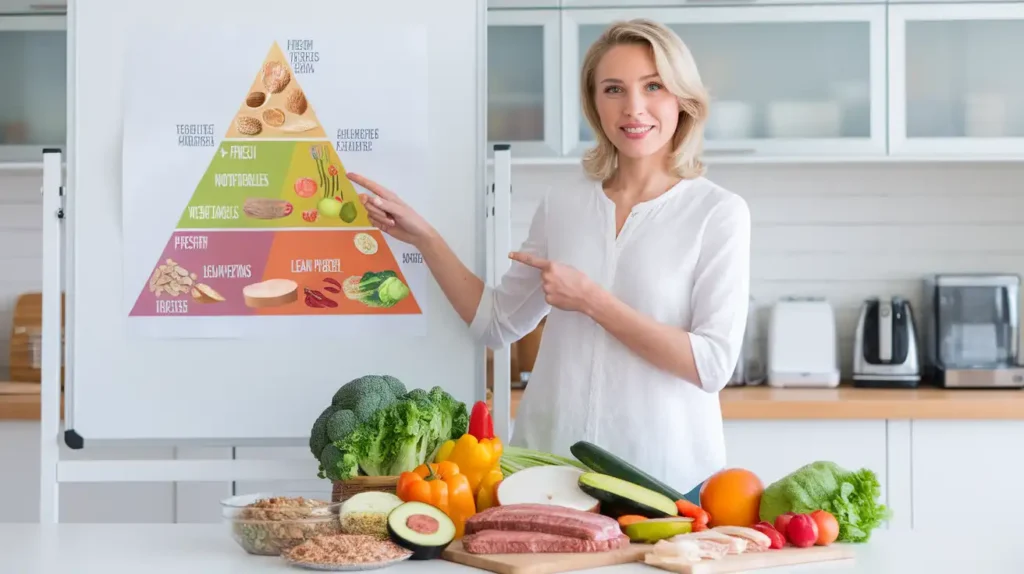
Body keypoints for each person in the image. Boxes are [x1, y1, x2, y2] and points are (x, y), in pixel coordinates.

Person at [347, 18, 751, 501]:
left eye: (654, 86)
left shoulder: (717, 213)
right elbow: (496, 323)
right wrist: (425, 238)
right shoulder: (565, 202)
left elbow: (711, 365)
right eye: (614, 89)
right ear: (594, 102)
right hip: (550, 471)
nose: (634, 108)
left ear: (682, 98)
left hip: (665, 480)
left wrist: (592, 301)